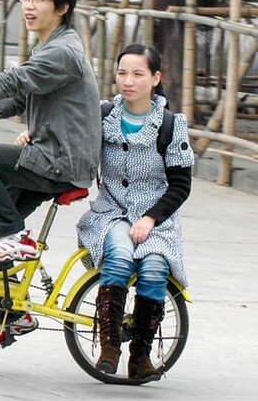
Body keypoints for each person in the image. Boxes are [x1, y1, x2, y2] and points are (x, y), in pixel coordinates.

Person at [0, 0, 101, 347]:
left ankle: (14, 235)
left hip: (59, 161)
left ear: (63, 6)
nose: (29, 6)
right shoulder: (49, 46)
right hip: (51, 156)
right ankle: (13, 317)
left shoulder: (63, 52)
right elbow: (14, 102)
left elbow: (12, 82)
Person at [76, 44, 193, 382]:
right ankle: (109, 346)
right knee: (119, 258)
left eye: (138, 74)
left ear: (156, 78)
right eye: (122, 73)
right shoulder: (103, 115)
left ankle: (140, 355)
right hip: (111, 213)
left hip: (156, 220)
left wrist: (150, 217)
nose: (128, 81)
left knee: (155, 269)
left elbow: (181, 185)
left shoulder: (171, 125)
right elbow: (70, 136)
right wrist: (32, 136)